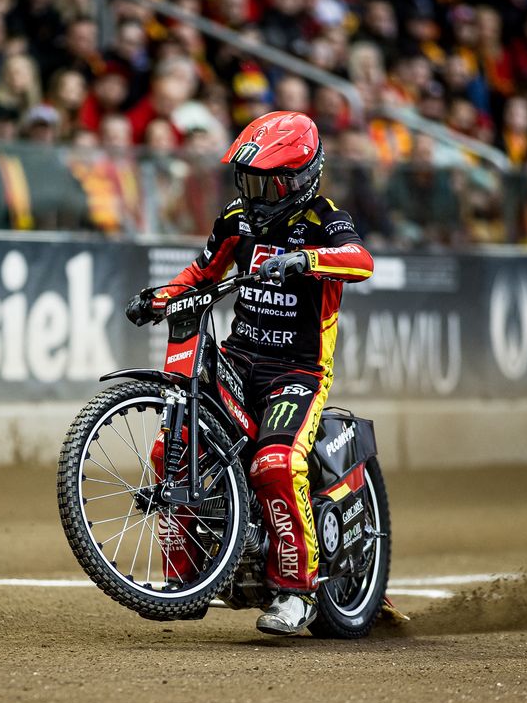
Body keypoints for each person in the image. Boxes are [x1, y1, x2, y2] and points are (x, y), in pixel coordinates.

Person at [124, 111, 375, 636]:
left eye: (266, 182)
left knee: (275, 463)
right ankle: (185, 582)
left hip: (297, 372)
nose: (254, 194)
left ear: (300, 178)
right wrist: (161, 296)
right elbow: (201, 273)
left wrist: (305, 262)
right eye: (248, 181)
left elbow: (360, 260)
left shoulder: (326, 220)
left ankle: (297, 591)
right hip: (239, 357)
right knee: (172, 449)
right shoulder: (235, 219)